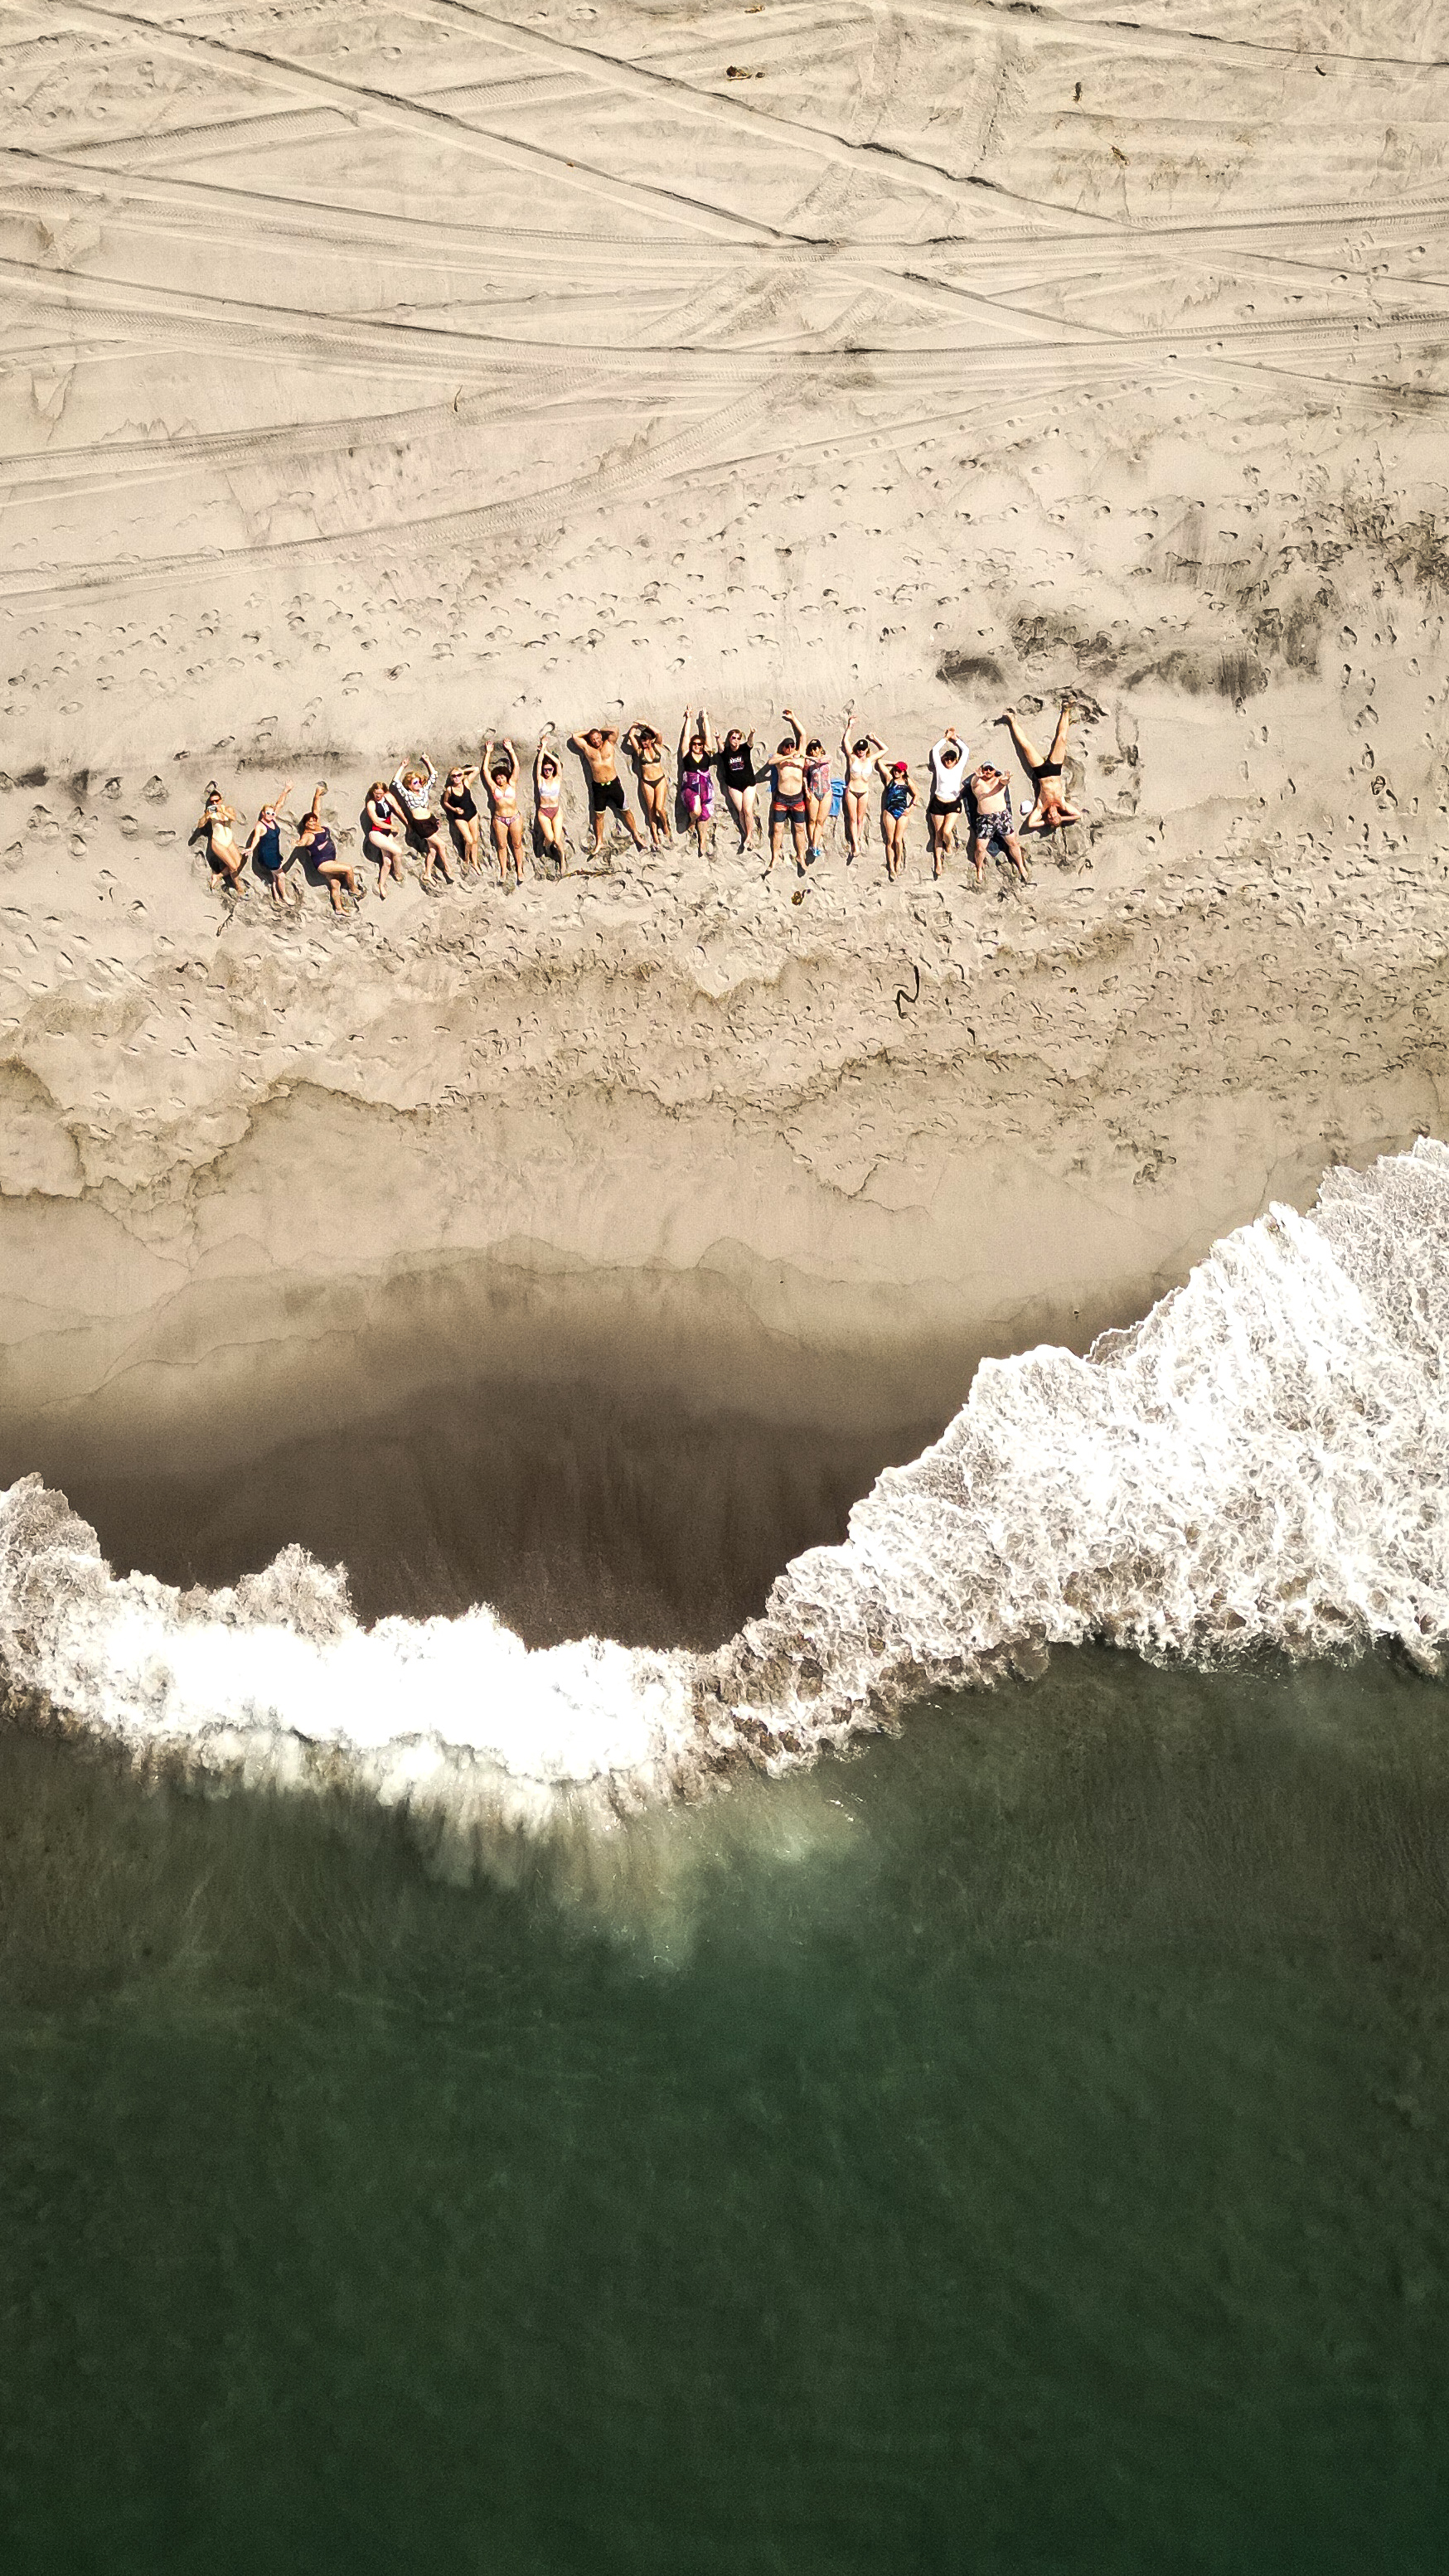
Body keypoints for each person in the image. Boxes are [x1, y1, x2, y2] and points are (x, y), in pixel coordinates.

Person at [994, 700, 1083, 833]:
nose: (1053, 815)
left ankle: (1012, 720)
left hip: (1041, 772)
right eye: (1055, 816)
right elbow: (1077, 815)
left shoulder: (1042, 807)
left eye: (1051, 817)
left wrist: (1047, 822)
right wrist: (1061, 820)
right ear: (1059, 814)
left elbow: (1031, 823)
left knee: (1025, 745)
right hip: (1055, 770)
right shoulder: (1062, 804)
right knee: (1061, 739)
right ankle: (1066, 710)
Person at [569, 724, 645, 857]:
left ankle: (636, 834)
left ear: (601, 737)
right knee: (598, 816)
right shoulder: (587, 748)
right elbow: (575, 736)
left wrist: (598, 731)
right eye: (593, 739)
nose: (596, 741)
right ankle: (599, 842)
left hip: (614, 784)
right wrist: (589, 733)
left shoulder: (609, 744)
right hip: (599, 788)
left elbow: (615, 729)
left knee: (625, 811)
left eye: (598, 738)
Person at [293, 782, 361, 913]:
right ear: (306, 824)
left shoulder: (317, 825)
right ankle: (354, 890)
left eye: (314, 821)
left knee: (335, 884)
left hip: (331, 861)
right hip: (323, 864)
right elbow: (302, 842)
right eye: (310, 822)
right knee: (348, 869)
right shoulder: (308, 835)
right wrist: (297, 843)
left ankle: (338, 908)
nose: (313, 823)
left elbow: (316, 810)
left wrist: (317, 796)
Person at [390, 758, 453, 884]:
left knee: (433, 850)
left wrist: (428, 761)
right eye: (415, 783)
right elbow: (395, 782)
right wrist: (402, 766)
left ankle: (427, 874)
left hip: (430, 820)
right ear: (409, 785)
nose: (418, 784)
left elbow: (434, 775)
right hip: (421, 824)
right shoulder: (408, 794)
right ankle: (447, 868)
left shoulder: (424, 791)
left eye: (419, 782)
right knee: (441, 845)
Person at [967, 760, 1029, 885]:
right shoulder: (978, 782)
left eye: (990, 769)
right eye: (986, 769)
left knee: (1013, 843)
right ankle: (979, 868)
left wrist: (1006, 779)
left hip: (1002, 817)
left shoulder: (998, 780)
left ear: (994, 771)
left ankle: (1021, 866)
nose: (988, 771)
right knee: (980, 848)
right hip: (985, 819)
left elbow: (1004, 782)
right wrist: (977, 776)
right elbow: (973, 783)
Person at [766, 709, 809, 874]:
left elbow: (803, 735)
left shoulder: (801, 755)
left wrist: (793, 718)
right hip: (781, 798)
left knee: (799, 828)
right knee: (777, 828)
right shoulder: (780, 759)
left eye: (792, 745)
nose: (791, 748)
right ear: (783, 748)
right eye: (788, 746)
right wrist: (788, 757)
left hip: (797, 798)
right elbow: (771, 761)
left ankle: (801, 856)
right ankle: (775, 856)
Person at [243, 781, 297, 908]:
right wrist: (251, 848)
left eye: (272, 813)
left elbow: (279, 804)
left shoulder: (272, 819)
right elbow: (256, 838)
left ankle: (276, 895)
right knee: (281, 875)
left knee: (275, 875)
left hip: (274, 852)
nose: (271, 815)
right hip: (267, 856)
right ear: (263, 813)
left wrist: (286, 790)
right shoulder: (261, 825)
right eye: (268, 813)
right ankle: (284, 897)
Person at [482, 736, 526, 884]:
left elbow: (517, 767)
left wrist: (511, 750)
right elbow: (485, 771)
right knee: (501, 845)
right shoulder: (494, 787)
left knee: (517, 844)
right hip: (499, 819)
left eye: (502, 777)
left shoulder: (512, 783)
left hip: (514, 817)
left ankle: (520, 870)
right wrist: (488, 752)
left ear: (506, 777)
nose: (500, 780)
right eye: (498, 778)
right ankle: (503, 870)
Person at [926, 727, 970, 875]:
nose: (949, 761)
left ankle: (949, 845)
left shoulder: (959, 767)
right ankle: (938, 861)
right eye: (947, 758)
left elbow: (966, 750)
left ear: (956, 760)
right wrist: (945, 738)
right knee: (938, 834)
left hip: (953, 804)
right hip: (938, 803)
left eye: (952, 759)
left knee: (946, 830)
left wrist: (955, 738)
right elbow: (935, 751)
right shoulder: (940, 767)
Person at [191, 783, 249, 895]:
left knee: (238, 864)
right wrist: (207, 816)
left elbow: (233, 818)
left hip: (229, 841)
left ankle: (217, 876)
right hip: (218, 843)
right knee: (233, 867)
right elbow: (200, 825)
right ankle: (238, 888)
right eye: (212, 802)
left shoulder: (228, 809)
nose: (214, 803)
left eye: (216, 801)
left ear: (221, 800)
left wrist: (221, 811)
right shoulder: (210, 813)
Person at [624, 722, 671, 850]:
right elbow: (631, 736)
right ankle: (655, 834)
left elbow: (658, 733)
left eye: (646, 739)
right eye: (642, 740)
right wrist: (635, 726)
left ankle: (665, 825)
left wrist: (646, 724)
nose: (644, 742)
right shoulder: (639, 751)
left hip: (660, 780)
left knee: (659, 808)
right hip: (647, 782)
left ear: (651, 740)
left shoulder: (657, 746)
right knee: (651, 810)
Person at [841, 719, 882, 864]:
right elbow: (846, 741)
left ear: (867, 750)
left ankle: (856, 840)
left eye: (863, 750)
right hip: (852, 790)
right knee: (852, 818)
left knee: (860, 819)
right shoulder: (852, 758)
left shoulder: (871, 760)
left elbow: (885, 750)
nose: (860, 752)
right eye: (858, 749)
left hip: (864, 791)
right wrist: (850, 726)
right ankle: (856, 845)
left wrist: (875, 739)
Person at [677, 706, 716, 855]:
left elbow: (708, 737)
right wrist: (689, 718)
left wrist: (705, 720)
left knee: (705, 813)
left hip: (705, 786)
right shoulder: (686, 753)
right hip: (690, 786)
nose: (698, 746)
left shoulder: (706, 752)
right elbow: (686, 737)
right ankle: (692, 820)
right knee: (696, 810)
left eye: (700, 744)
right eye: (695, 744)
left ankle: (702, 841)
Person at [716, 726, 758, 851]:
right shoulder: (726, 752)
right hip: (733, 785)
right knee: (741, 810)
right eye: (733, 738)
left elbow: (750, 743)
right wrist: (718, 738)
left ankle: (749, 835)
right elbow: (720, 749)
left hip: (749, 783)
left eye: (738, 738)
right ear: (729, 739)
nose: (736, 740)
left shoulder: (745, 748)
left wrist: (751, 733)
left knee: (747, 810)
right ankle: (747, 836)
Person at [361, 782, 407, 897]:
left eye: (381, 794)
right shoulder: (371, 804)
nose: (378, 796)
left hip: (388, 832)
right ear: (373, 792)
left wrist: (407, 823)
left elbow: (397, 809)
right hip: (376, 833)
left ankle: (381, 884)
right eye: (376, 793)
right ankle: (397, 873)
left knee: (387, 862)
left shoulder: (388, 797)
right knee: (398, 851)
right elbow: (376, 822)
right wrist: (392, 827)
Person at [875, 751, 914, 879]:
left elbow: (917, 795)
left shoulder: (907, 782)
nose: (897, 771)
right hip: (890, 811)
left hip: (902, 811)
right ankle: (891, 866)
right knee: (890, 840)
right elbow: (880, 762)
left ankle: (898, 861)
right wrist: (894, 763)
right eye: (896, 769)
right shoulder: (890, 779)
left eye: (899, 770)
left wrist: (910, 808)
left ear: (904, 772)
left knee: (898, 840)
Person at [535, 733, 568, 872]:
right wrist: (543, 749)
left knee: (557, 840)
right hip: (543, 812)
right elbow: (539, 763)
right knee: (549, 837)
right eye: (546, 770)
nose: (547, 771)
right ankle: (547, 848)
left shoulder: (557, 778)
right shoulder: (540, 780)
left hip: (556, 810)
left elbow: (558, 764)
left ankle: (562, 859)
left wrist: (547, 751)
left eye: (550, 769)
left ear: (553, 769)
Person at [442, 764, 482, 874]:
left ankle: (474, 863)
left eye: (458, 775)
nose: (456, 778)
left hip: (472, 813)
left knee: (475, 839)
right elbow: (445, 802)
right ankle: (466, 859)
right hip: (460, 817)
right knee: (469, 840)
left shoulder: (466, 783)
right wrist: (454, 810)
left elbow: (476, 769)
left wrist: (462, 771)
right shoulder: (449, 790)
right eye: (454, 776)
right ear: (451, 778)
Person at [803, 736, 834, 866]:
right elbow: (805, 775)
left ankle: (815, 844)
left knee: (820, 821)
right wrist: (806, 789)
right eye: (811, 749)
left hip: (826, 791)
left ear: (820, 748)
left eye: (815, 748)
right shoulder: (808, 763)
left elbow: (821, 760)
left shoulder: (827, 759)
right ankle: (813, 844)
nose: (813, 751)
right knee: (812, 820)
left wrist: (807, 757)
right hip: (813, 791)